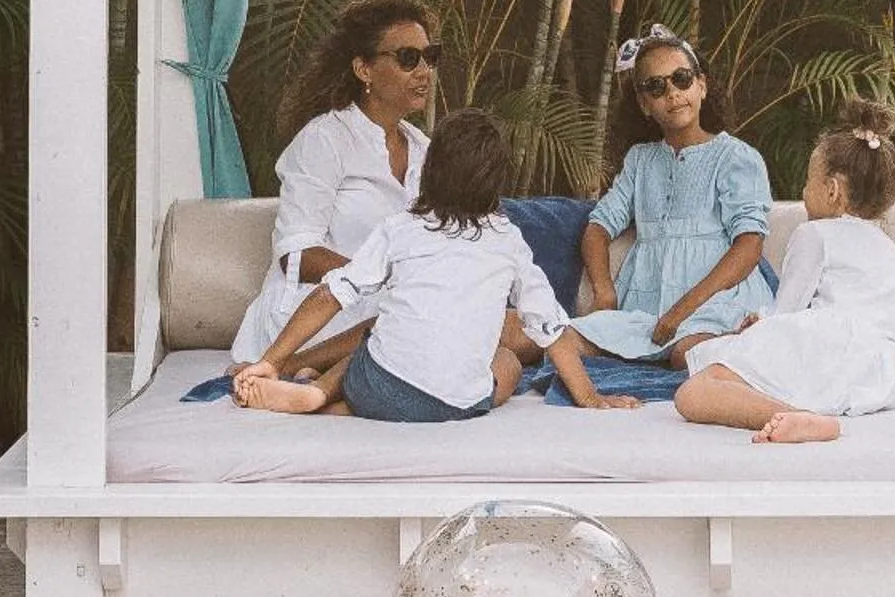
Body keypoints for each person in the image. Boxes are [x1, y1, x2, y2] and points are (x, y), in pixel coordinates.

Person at [231, 110, 638, 422]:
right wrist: (589, 397)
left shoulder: (401, 227)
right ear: (496, 181)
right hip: (456, 404)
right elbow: (550, 329)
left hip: (379, 387)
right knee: (507, 362)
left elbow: (330, 294)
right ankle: (331, 405)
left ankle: (318, 394)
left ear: (431, 170)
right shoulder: (509, 241)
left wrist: (270, 359)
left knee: (376, 334)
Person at [675, 100, 895, 444]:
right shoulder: (888, 247)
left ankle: (793, 415)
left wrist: (758, 327)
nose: (802, 193)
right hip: (879, 373)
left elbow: (789, 311)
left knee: (694, 391)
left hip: (824, 348)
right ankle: (804, 413)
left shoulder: (814, 234)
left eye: (807, 182)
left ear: (831, 191)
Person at [228, 0, 438, 369]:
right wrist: (385, 280)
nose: (424, 71)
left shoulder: (425, 150)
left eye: (430, 56)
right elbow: (297, 253)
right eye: (408, 58)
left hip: (397, 304)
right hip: (315, 312)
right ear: (364, 70)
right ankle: (289, 366)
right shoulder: (324, 139)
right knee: (413, 321)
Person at [572, 25, 775, 365]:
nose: (672, 92)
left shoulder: (736, 157)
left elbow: (750, 245)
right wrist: (604, 290)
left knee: (685, 354)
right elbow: (597, 228)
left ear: (702, 85)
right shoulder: (640, 160)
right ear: (644, 104)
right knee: (564, 341)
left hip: (715, 302)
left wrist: (682, 310)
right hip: (646, 308)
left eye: (681, 78)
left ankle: (746, 342)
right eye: (656, 86)